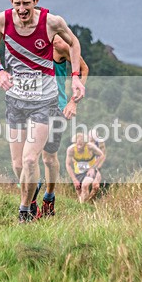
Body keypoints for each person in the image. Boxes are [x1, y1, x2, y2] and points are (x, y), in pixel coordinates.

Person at [0, 0, 85, 223]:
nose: (22, 10)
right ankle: (30, 200)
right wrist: (0, 71)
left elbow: (74, 44)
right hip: (16, 101)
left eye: (26, 4)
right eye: (17, 4)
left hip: (45, 101)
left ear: (36, 1)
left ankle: (24, 213)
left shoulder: (52, 22)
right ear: (11, 2)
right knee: (19, 164)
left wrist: (75, 78)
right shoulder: (2, 20)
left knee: (33, 158)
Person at [39, 35, 89, 216]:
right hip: (31, 108)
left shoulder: (59, 45)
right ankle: (29, 204)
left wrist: (73, 102)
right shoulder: (24, 41)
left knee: (48, 159)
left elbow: (84, 69)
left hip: (56, 109)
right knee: (28, 157)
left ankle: (49, 198)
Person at [65, 132, 105, 203]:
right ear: (75, 143)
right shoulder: (71, 150)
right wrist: (74, 180)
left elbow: (101, 155)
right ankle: (85, 205)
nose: (79, 147)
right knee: (80, 193)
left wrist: (93, 168)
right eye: (78, 144)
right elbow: (68, 164)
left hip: (90, 171)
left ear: (85, 143)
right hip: (78, 172)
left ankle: (84, 206)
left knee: (85, 185)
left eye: (81, 145)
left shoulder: (90, 147)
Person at [87, 129, 106, 200]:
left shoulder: (100, 142)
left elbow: (103, 155)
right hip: (86, 166)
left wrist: (98, 167)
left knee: (96, 186)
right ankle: (84, 201)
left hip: (96, 165)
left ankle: (89, 201)